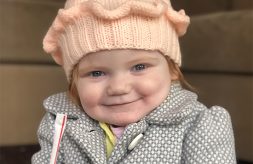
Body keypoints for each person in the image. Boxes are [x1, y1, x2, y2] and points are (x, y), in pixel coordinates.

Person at [32, 0, 236, 163]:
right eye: (96, 73)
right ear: (75, 82)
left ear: (172, 69)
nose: (119, 88)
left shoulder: (200, 125)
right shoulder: (60, 123)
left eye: (139, 67)